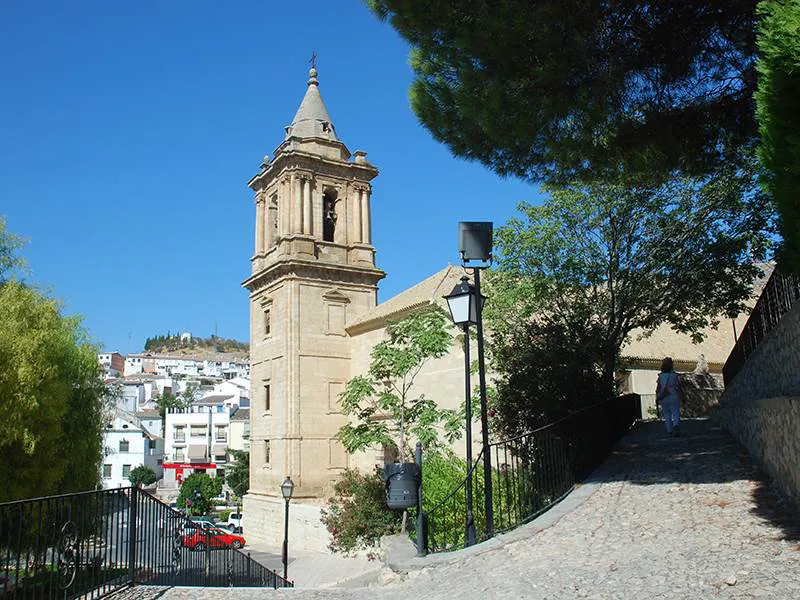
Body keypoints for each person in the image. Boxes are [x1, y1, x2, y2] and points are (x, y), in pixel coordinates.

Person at [655, 356, 681, 436]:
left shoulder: (661, 376)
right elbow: (679, 387)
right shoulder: (675, 375)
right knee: (676, 412)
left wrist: (657, 397)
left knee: (667, 414)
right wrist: (682, 396)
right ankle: (676, 425)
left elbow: (658, 388)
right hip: (673, 395)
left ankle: (669, 430)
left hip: (663, 396)